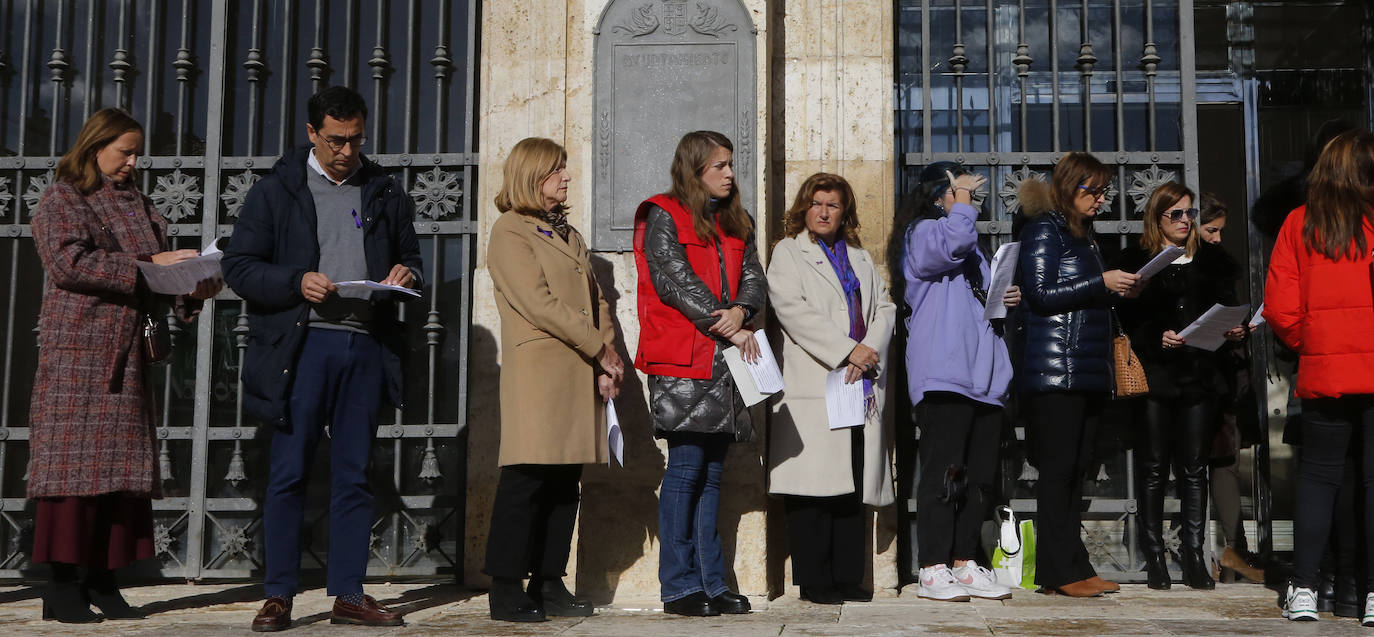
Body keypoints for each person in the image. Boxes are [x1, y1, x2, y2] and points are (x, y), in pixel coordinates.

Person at [222, 85, 421, 632]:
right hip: (301, 347)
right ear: (312, 133)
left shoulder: (384, 190)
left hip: (364, 346)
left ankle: (349, 594)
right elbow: (239, 267)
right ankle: (279, 594)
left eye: (356, 139)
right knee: (287, 471)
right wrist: (294, 280)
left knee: (355, 474)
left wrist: (406, 276)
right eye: (336, 140)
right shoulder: (276, 191)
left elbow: (412, 259)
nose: (346, 151)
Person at [27, 108, 221, 623]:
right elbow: (68, 262)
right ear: (95, 146)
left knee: (120, 475)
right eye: (125, 151)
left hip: (129, 350)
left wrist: (191, 287)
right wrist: (148, 266)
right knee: (71, 476)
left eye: (137, 153)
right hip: (80, 353)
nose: (133, 162)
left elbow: (155, 276)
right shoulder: (62, 197)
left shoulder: (141, 204)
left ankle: (104, 580)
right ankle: (62, 585)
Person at [483, 137, 622, 622]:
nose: (566, 177)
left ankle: (548, 580)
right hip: (541, 372)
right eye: (556, 170)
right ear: (531, 175)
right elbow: (537, 302)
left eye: (565, 169)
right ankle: (505, 587)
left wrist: (608, 357)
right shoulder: (510, 231)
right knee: (526, 477)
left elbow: (598, 299)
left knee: (565, 481)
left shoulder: (569, 234)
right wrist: (596, 345)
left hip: (579, 367)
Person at [632, 130, 766, 617]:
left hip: (725, 360)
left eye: (731, 164)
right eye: (719, 166)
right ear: (694, 170)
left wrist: (743, 309)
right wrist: (724, 321)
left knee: (712, 476)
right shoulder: (663, 213)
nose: (730, 173)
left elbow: (753, 274)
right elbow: (672, 280)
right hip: (684, 359)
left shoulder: (736, 221)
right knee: (686, 471)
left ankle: (712, 583)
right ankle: (679, 586)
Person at [766, 173, 896, 605]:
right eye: (817, 203)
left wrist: (868, 351)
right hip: (816, 380)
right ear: (804, 208)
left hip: (859, 382)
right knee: (813, 487)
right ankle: (815, 580)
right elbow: (792, 311)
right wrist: (847, 351)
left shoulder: (859, 258)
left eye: (833, 205)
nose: (824, 212)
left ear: (845, 212)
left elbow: (885, 308)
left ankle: (847, 577)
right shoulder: (788, 253)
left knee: (850, 482)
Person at [896, 162, 1019, 602]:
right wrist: (962, 204)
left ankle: (965, 562)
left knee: (978, 477)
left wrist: (1005, 296)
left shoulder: (971, 248)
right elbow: (951, 243)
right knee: (943, 475)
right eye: (957, 189)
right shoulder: (925, 232)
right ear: (938, 196)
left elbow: (981, 302)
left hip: (983, 378)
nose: (967, 197)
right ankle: (932, 566)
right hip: (944, 374)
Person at [1015, 151, 1137, 597]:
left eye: (1105, 191)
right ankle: (1057, 572)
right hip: (1054, 371)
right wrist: (1101, 283)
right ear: (1070, 187)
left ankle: (1075, 566)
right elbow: (1042, 293)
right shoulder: (1044, 230)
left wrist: (1118, 288)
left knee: (1076, 472)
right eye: (1095, 191)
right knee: (1059, 472)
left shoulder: (1085, 236)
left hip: (1085, 369)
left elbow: (1082, 296)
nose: (1102, 200)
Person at [1264, 129, 1374, 625]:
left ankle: (1305, 587)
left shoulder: (1299, 223)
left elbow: (1281, 310)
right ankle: (1372, 594)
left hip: (1325, 367)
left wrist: (1316, 343)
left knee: (1317, 479)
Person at [1114, 183, 1245, 590]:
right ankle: (1154, 557)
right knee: (1154, 468)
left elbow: (1227, 306)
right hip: (1156, 376)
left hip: (1200, 376)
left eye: (1189, 213)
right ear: (1157, 217)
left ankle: (1193, 556)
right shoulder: (1137, 261)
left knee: (1194, 469)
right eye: (1177, 214)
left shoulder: (1212, 261)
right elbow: (1127, 320)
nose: (1186, 221)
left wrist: (1236, 329)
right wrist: (1157, 337)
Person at [1196, 193, 1266, 585]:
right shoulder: (1186, 265)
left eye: (1221, 231)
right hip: (1196, 375)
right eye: (1212, 230)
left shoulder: (1221, 269)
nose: (1218, 238)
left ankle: (1232, 549)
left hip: (1224, 373)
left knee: (1225, 459)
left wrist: (1238, 329)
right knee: (1196, 463)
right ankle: (1212, 549)